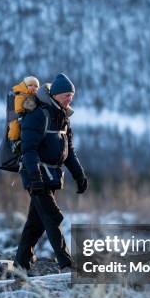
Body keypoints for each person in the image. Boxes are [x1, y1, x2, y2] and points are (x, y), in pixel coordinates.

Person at [14, 73, 88, 273]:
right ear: (55, 95)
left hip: (52, 176)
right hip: (35, 175)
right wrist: (35, 176)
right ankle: (66, 264)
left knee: (36, 223)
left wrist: (79, 175)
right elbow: (29, 150)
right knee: (53, 217)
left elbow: (69, 151)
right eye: (66, 94)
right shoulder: (38, 114)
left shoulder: (62, 117)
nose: (69, 98)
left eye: (71, 95)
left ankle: (20, 264)